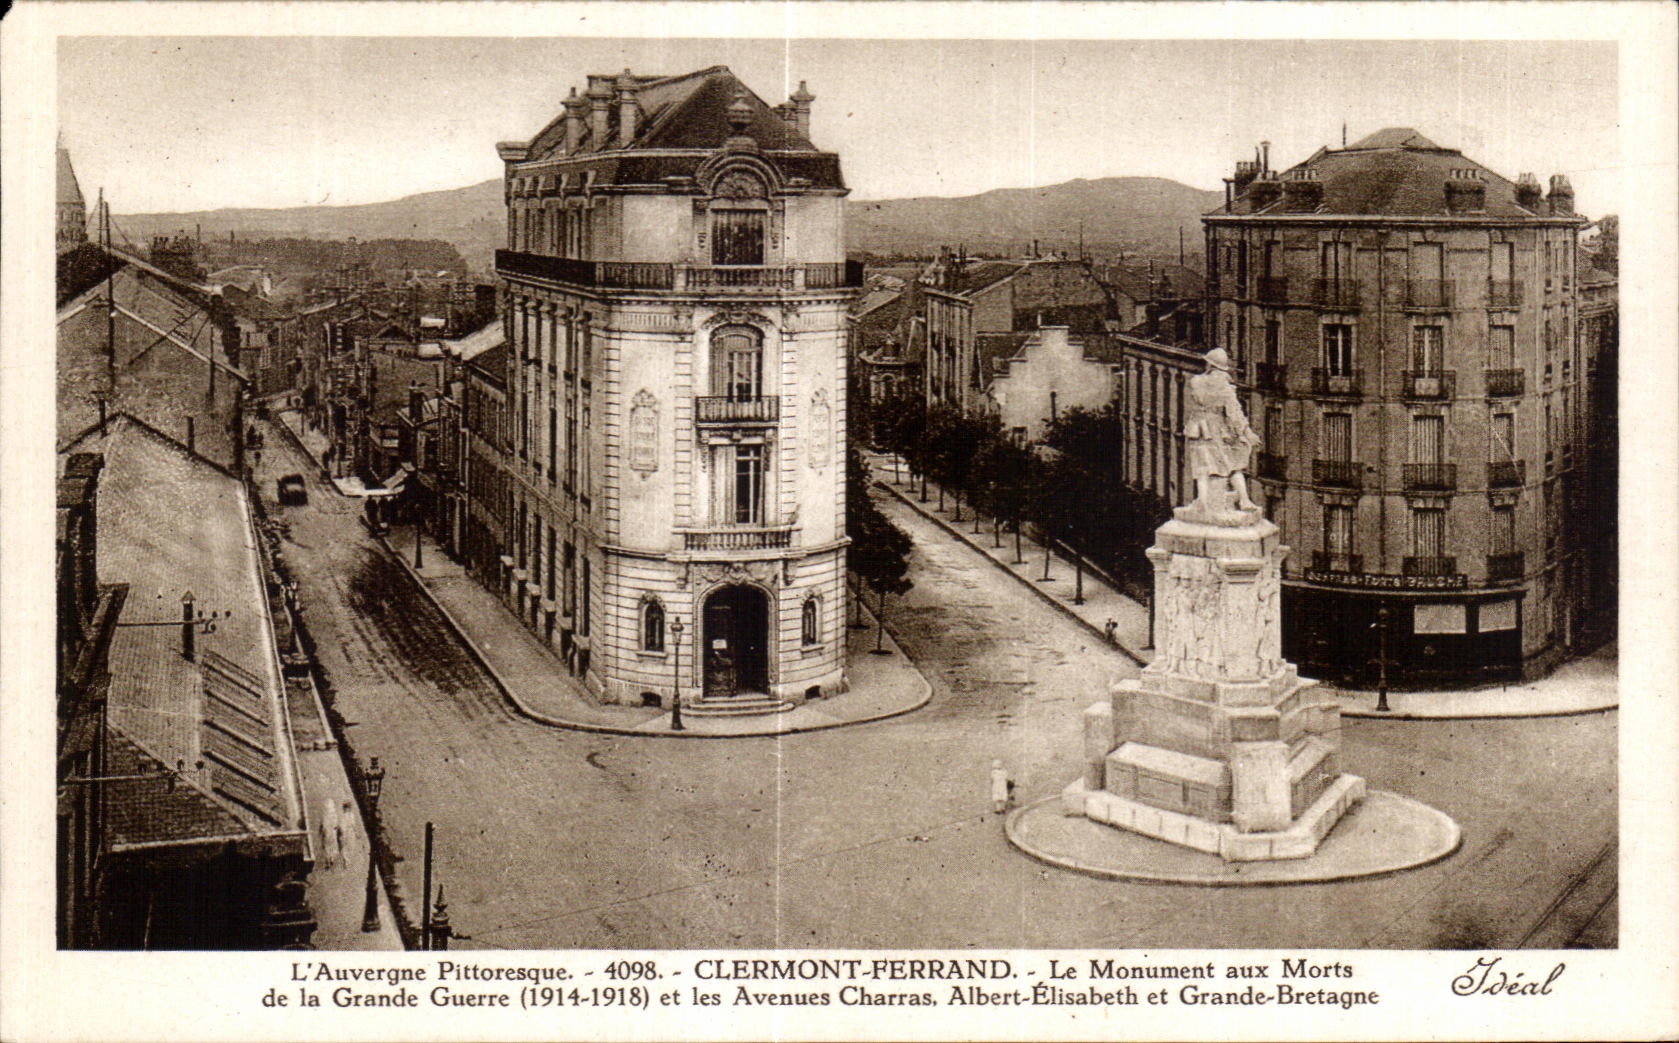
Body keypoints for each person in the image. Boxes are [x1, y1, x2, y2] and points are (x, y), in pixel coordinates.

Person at [1184, 348, 1261, 511]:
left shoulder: (1196, 382)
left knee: (1202, 467)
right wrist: (1247, 432)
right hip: (1217, 427)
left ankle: (1202, 502)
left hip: (1198, 427)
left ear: (1209, 365)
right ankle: (1244, 500)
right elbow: (1234, 412)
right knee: (1232, 464)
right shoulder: (1225, 387)